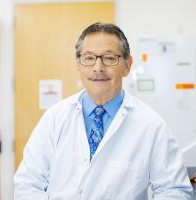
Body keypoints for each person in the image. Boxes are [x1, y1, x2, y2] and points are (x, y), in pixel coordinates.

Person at [14, 22, 193, 199]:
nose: (98, 68)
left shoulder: (152, 125)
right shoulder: (54, 118)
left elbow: (173, 191)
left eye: (109, 58)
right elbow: (28, 184)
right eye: (89, 58)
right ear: (78, 64)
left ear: (127, 65)